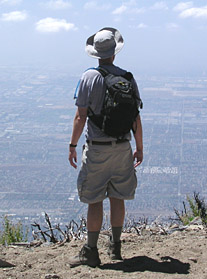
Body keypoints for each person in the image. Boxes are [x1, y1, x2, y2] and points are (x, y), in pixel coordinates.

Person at [68, 27, 143, 267]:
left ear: (96, 53)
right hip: (122, 147)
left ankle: (91, 251)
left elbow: (80, 116)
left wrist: (72, 144)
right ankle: (116, 247)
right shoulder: (127, 77)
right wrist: (139, 147)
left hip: (97, 147)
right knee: (118, 196)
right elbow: (135, 118)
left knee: (95, 199)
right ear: (114, 52)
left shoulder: (88, 77)